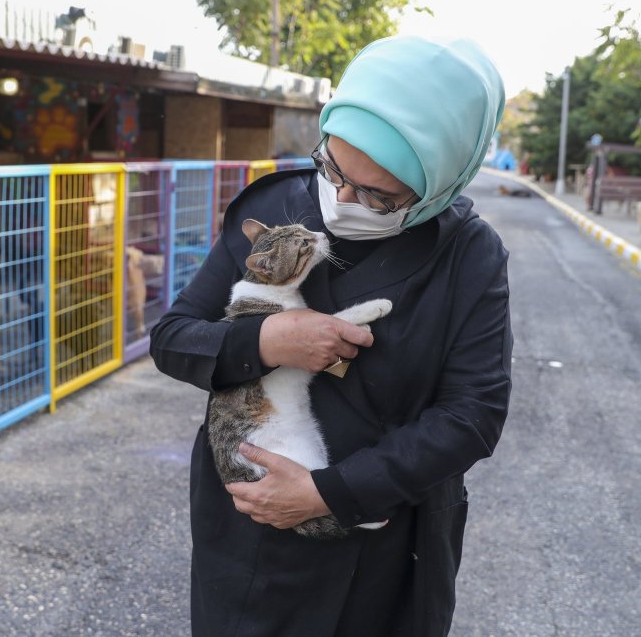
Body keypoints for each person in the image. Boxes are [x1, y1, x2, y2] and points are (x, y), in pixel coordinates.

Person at [149, 35, 511, 637]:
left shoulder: (471, 256)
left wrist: (333, 492)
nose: (342, 201)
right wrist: (264, 342)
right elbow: (174, 337)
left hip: (391, 540)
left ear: (443, 179)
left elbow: (474, 413)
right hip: (255, 533)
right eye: (333, 167)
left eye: (379, 195)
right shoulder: (276, 207)